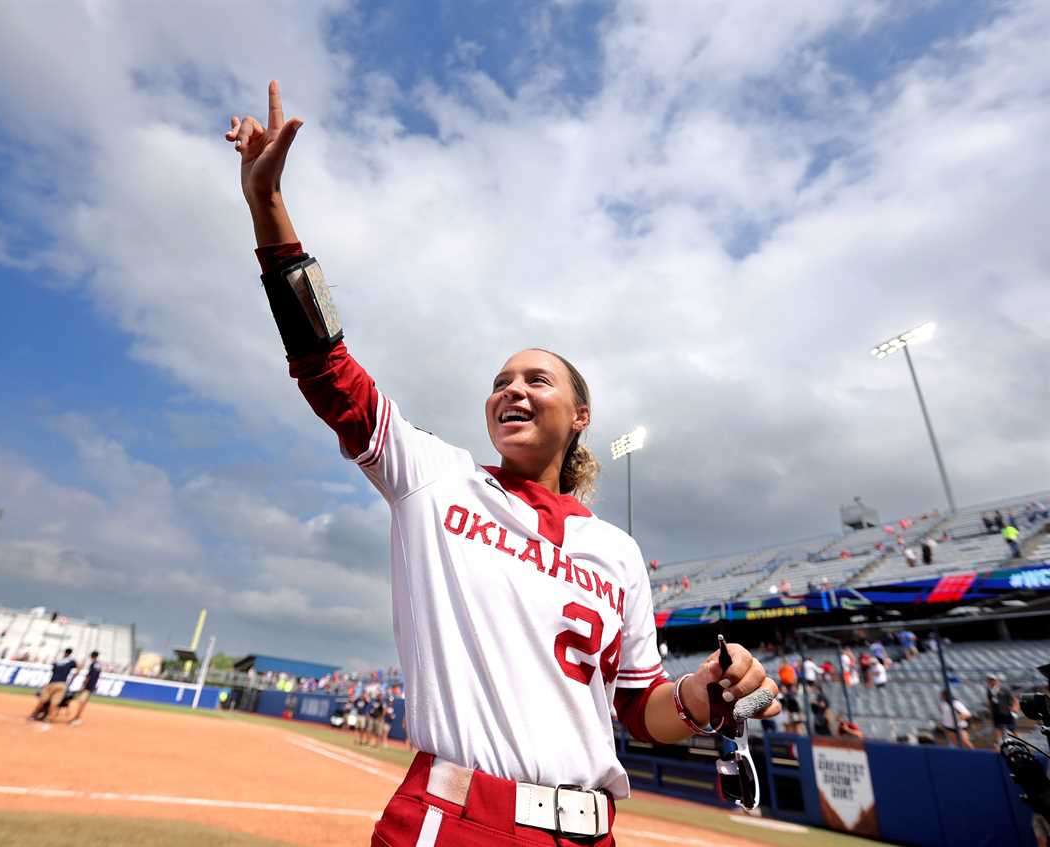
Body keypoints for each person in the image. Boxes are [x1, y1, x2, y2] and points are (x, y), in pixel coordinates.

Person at [226, 81, 780, 846]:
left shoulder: (616, 553)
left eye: (535, 378)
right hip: (453, 819)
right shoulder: (434, 477)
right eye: (498, 383)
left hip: (589, 833)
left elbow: (642, 710)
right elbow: (328, 368)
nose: (510, 389)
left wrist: (706, 692)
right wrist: (269, 211)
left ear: (580, 416)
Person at [30, 648, 77, 722]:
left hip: (52, 683)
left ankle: (34, 715)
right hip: (62, 684)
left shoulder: (57, 661)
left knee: (42, 701)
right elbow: (78, 667)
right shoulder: (71, 661)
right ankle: (49, 718)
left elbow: (53, 671)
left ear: (64, 653)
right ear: (70, 653)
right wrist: (73, 678)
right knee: (54, 703)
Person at [69, 650, 102, 726]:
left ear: (92, 656)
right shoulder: (99, 665)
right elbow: (97, 676)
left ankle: (77, 718)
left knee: (81, 702)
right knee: (82, 702)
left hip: (88, 686)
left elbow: (89, 676)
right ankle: (77, 717)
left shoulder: (93, 664)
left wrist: (83, 685)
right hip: (92, 686)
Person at [985, 673, 1018, 747]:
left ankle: (1018, 743)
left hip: (1006, 712)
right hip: (996, 712)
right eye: (989, 680)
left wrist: (1014, 708)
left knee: (1012, 728)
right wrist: (990, 711)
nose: (991, 681)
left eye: (992, 680)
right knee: (997, 728)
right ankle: (999, 744)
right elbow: (990, 701)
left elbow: (1014, 699)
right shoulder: (989, 690)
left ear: (996, 680)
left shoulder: (1004, 688)